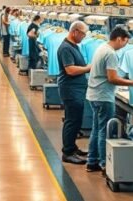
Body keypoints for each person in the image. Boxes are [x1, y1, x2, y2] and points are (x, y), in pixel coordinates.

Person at [85, 25, 133, 173]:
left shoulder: (101, 47)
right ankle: (104, 164)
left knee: (97, 129)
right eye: (125, 42)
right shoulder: (110, 54)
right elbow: (112, 78)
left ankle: (92, 161)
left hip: (94, 94)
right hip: (103, 96)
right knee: (104, 130)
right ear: (118, 38)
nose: (125, 46)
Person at [58, 21, 92, 164]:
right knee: (71, 120)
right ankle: (68, 152)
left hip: (76, 89)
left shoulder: (73, 46)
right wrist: (88, 68)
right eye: (83, 34)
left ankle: (72, 147)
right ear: (75, 32)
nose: (84, 37)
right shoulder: (66, 48)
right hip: (70, 89)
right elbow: (70, 70)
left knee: (76, 119)